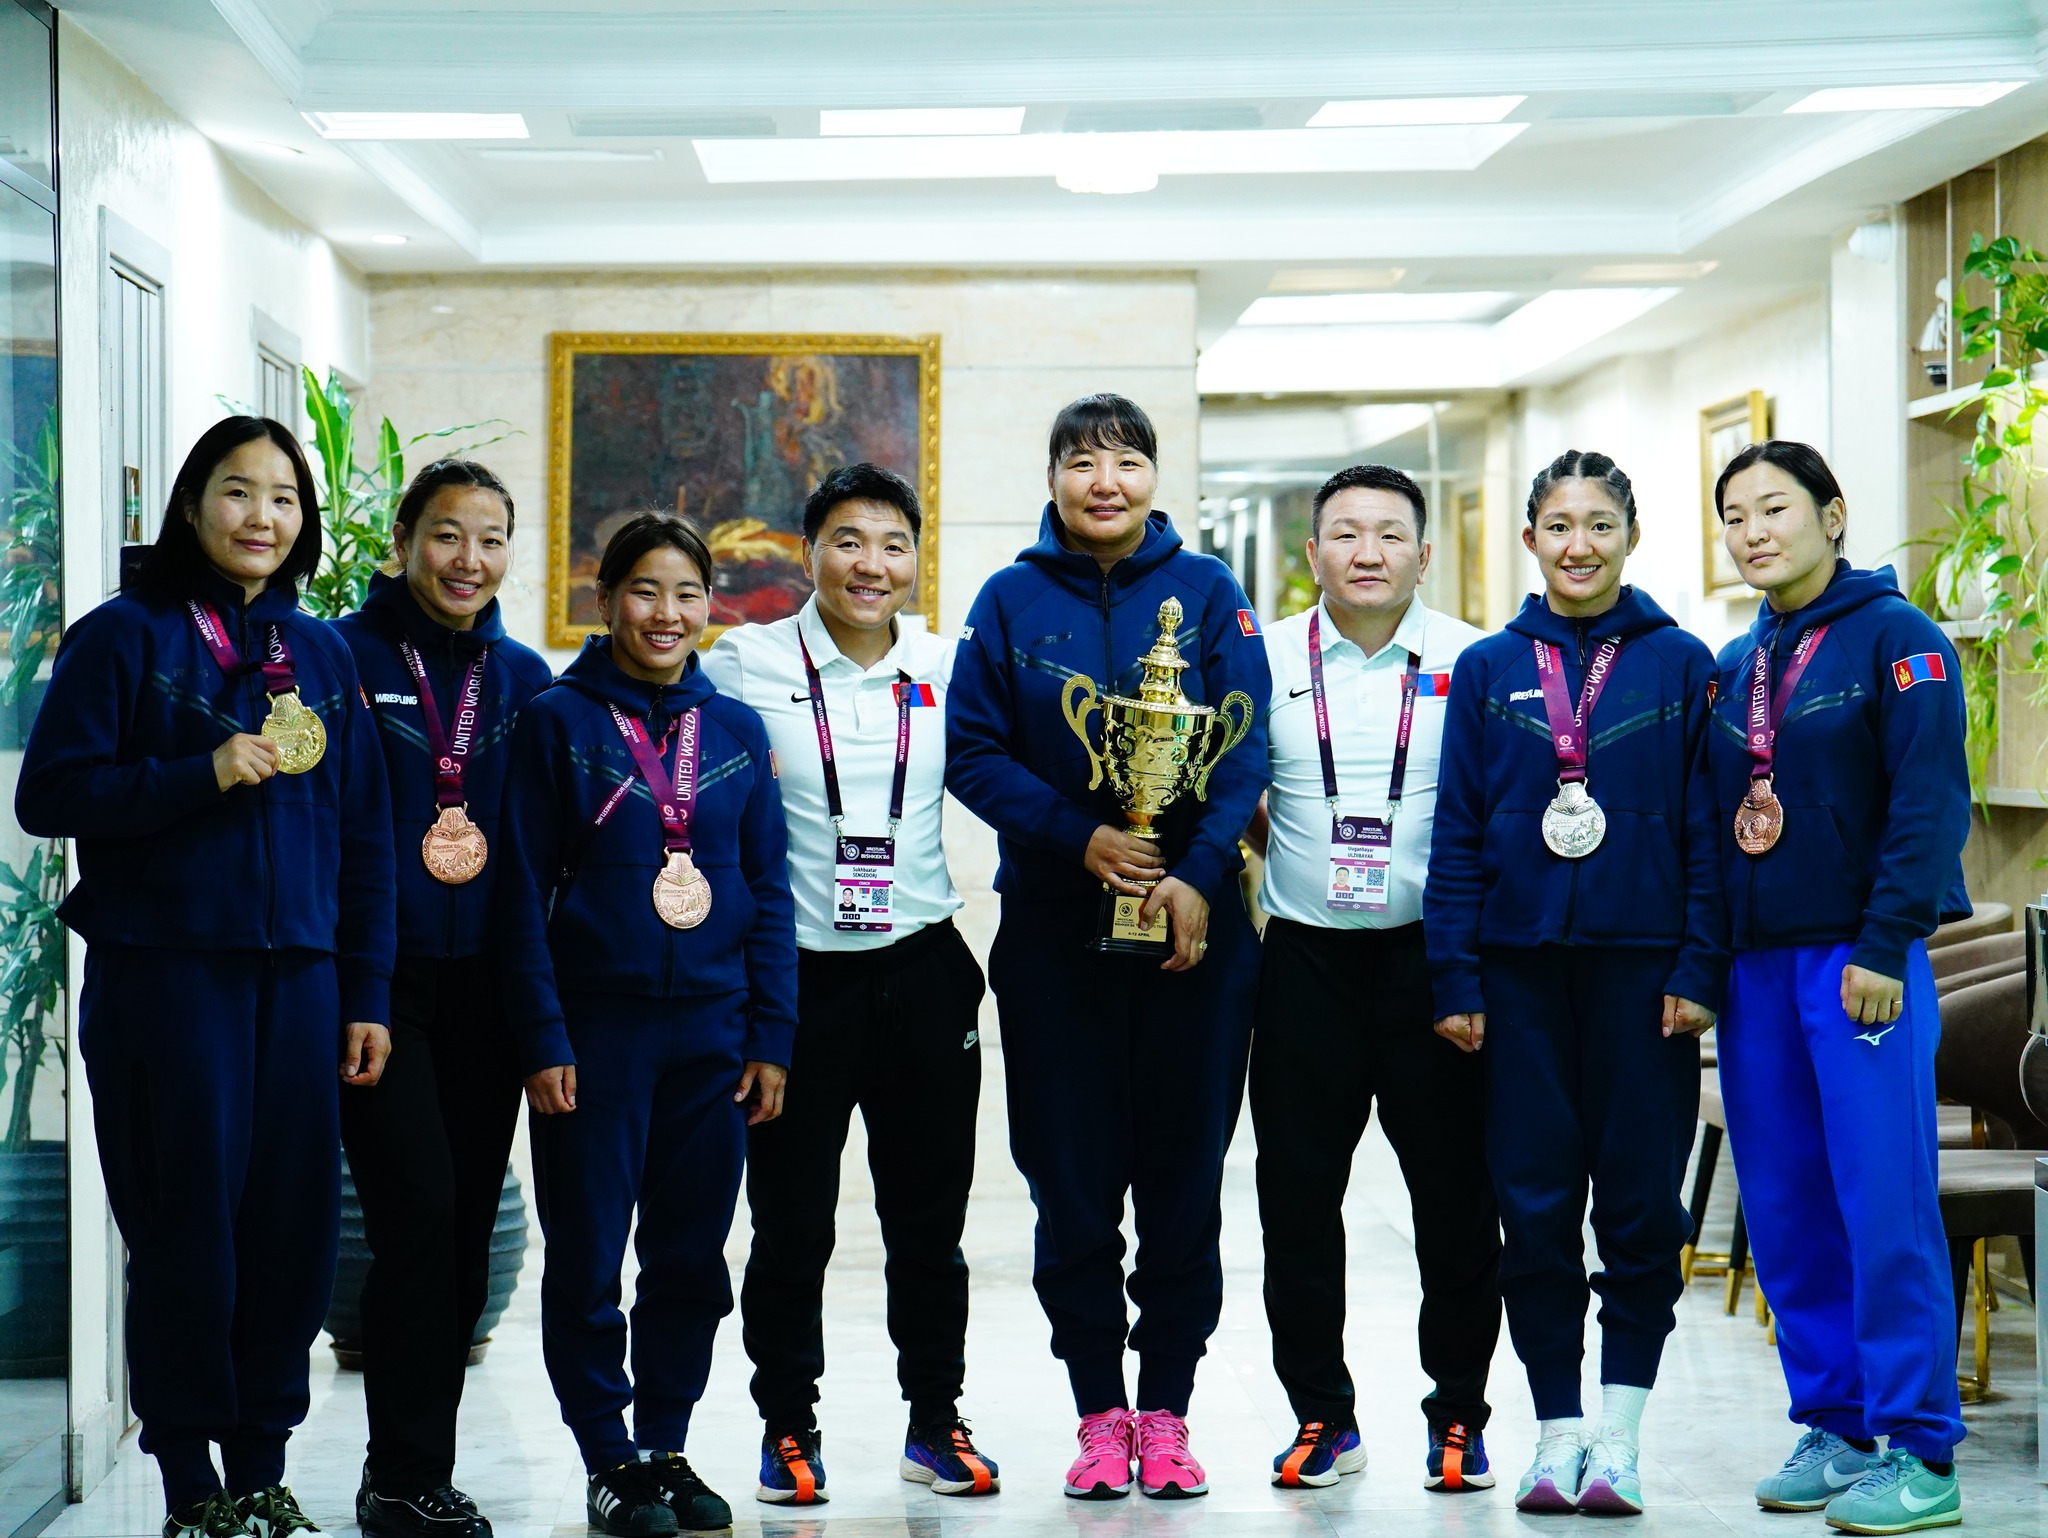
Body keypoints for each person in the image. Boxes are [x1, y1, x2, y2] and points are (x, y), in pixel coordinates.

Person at [16, 416, 395, 1538]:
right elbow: (53, 796)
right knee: (185, 1230)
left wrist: (366, 993)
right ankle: (190, 1480)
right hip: (169, 979)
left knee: (290, 1232)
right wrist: (203, 770)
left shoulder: (322, 655)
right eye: (238, 491)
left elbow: (365, 838)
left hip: (302, 983)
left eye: (284, 498)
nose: (261, 517)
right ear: (192, 505)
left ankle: (263, 1467)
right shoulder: (122, 635)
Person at [947, 394, 1271, 1502]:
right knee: (1071, 1184)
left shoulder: (1210, 592)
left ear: (1152, 477)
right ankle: (1098, 1413)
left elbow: (1243, 750)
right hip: (1053, 933)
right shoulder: (1008, 600)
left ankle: (1166, 1412)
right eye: (1082, 462)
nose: (1105, 482)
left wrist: (1197, 874)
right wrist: (1076, 835)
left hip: (1194, 937)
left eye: (1126, 461)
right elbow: (971, 751)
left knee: (1184, 1181)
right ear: (1051, 478)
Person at [1424, 449, 1724, 1517]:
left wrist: (1698, 964)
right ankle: (1555, 1434)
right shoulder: (1487, 668)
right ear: (1530, 540)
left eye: (1600, 524)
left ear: (1630, 536)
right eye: (1559, 525)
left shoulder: (1682, 663)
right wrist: (1454, 975)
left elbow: (1705, 831)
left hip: (1645, 982)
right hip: (1516, 982)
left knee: (1639, 1211)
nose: (1579, 544)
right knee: (1535, 1210)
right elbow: (1456, 833)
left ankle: (1620, 1437)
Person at [702, 462, 997, 1506]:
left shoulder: (947, 662)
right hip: (795, 986)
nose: (871, 565)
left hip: (922, 968)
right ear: (807, 552)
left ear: (916, 559)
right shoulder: (745, 661)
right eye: (848, 541)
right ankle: (787, 1425)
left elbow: (1013, 769)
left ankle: (935, 1420)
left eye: (893, 545)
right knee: (791, 1226)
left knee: (930, 1225)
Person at [496, 514, 797, 1538]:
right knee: (588, 1259)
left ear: (710, 605)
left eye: (687, 594)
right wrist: (542, 1035)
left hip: (713, 1037)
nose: (667, 614)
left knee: (690, 1258)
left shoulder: (739, 731)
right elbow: (518, 892)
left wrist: (771, 1035)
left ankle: (664, 1443)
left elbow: (769, 889)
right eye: (644, 590)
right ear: (606, 599)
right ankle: (606, 1456)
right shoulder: (555, 721)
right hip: (596, 1037)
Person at [1708, 440, 1970, 1535]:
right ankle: (1836, 1424)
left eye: (1774, 508)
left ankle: (1920, 1448)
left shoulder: (1898, 639)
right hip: (1755, 969)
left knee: (1882, 1204)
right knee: (1785, 1209)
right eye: (1734, 516)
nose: (1753, 531)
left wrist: (1884, 941)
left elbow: (1928, 802)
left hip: (1861, 964)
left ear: (1832, 513)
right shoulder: (1738, 660)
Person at [1246, 464, 1499, 1494]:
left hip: (1432, 965)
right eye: (1345, 533)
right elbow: (1234, 789)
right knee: (1297, 1204)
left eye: (1389, 534)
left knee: (1455, 1204)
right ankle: (1321, 1415)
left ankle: (1460, 1415)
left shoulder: (1473, 661)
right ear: (1312, 554)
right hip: (1304, 962)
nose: (1367, 552)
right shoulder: (1261, 658)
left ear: (1423, 555)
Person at [331, 459, 554, 1538]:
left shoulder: (522, 677)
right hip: (381, 989)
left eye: (492, 537)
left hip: (485, 996)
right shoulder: (342, 657)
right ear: (403, 540)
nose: (470, 559)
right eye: (447, 534)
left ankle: (416, 1472)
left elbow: (534, 855)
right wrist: (361, 986)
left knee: (462, 1238)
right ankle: (398, 1475)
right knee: (417, 1215)